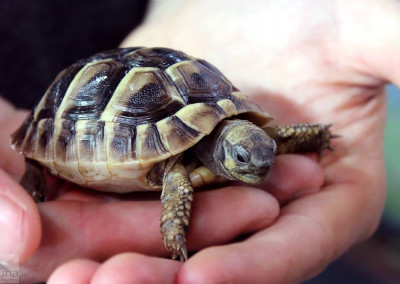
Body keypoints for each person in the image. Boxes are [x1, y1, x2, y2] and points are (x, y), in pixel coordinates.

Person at [0, 0, 395, 282]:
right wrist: (176, 228)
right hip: (72, 85)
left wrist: (317, 136)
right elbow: (177, 178)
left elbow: (270, 139)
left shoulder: (245, 136)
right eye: (243, 159)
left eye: (263, 155)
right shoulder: (176, 166)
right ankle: (37, 171)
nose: (259, 168)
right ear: (225, 151)